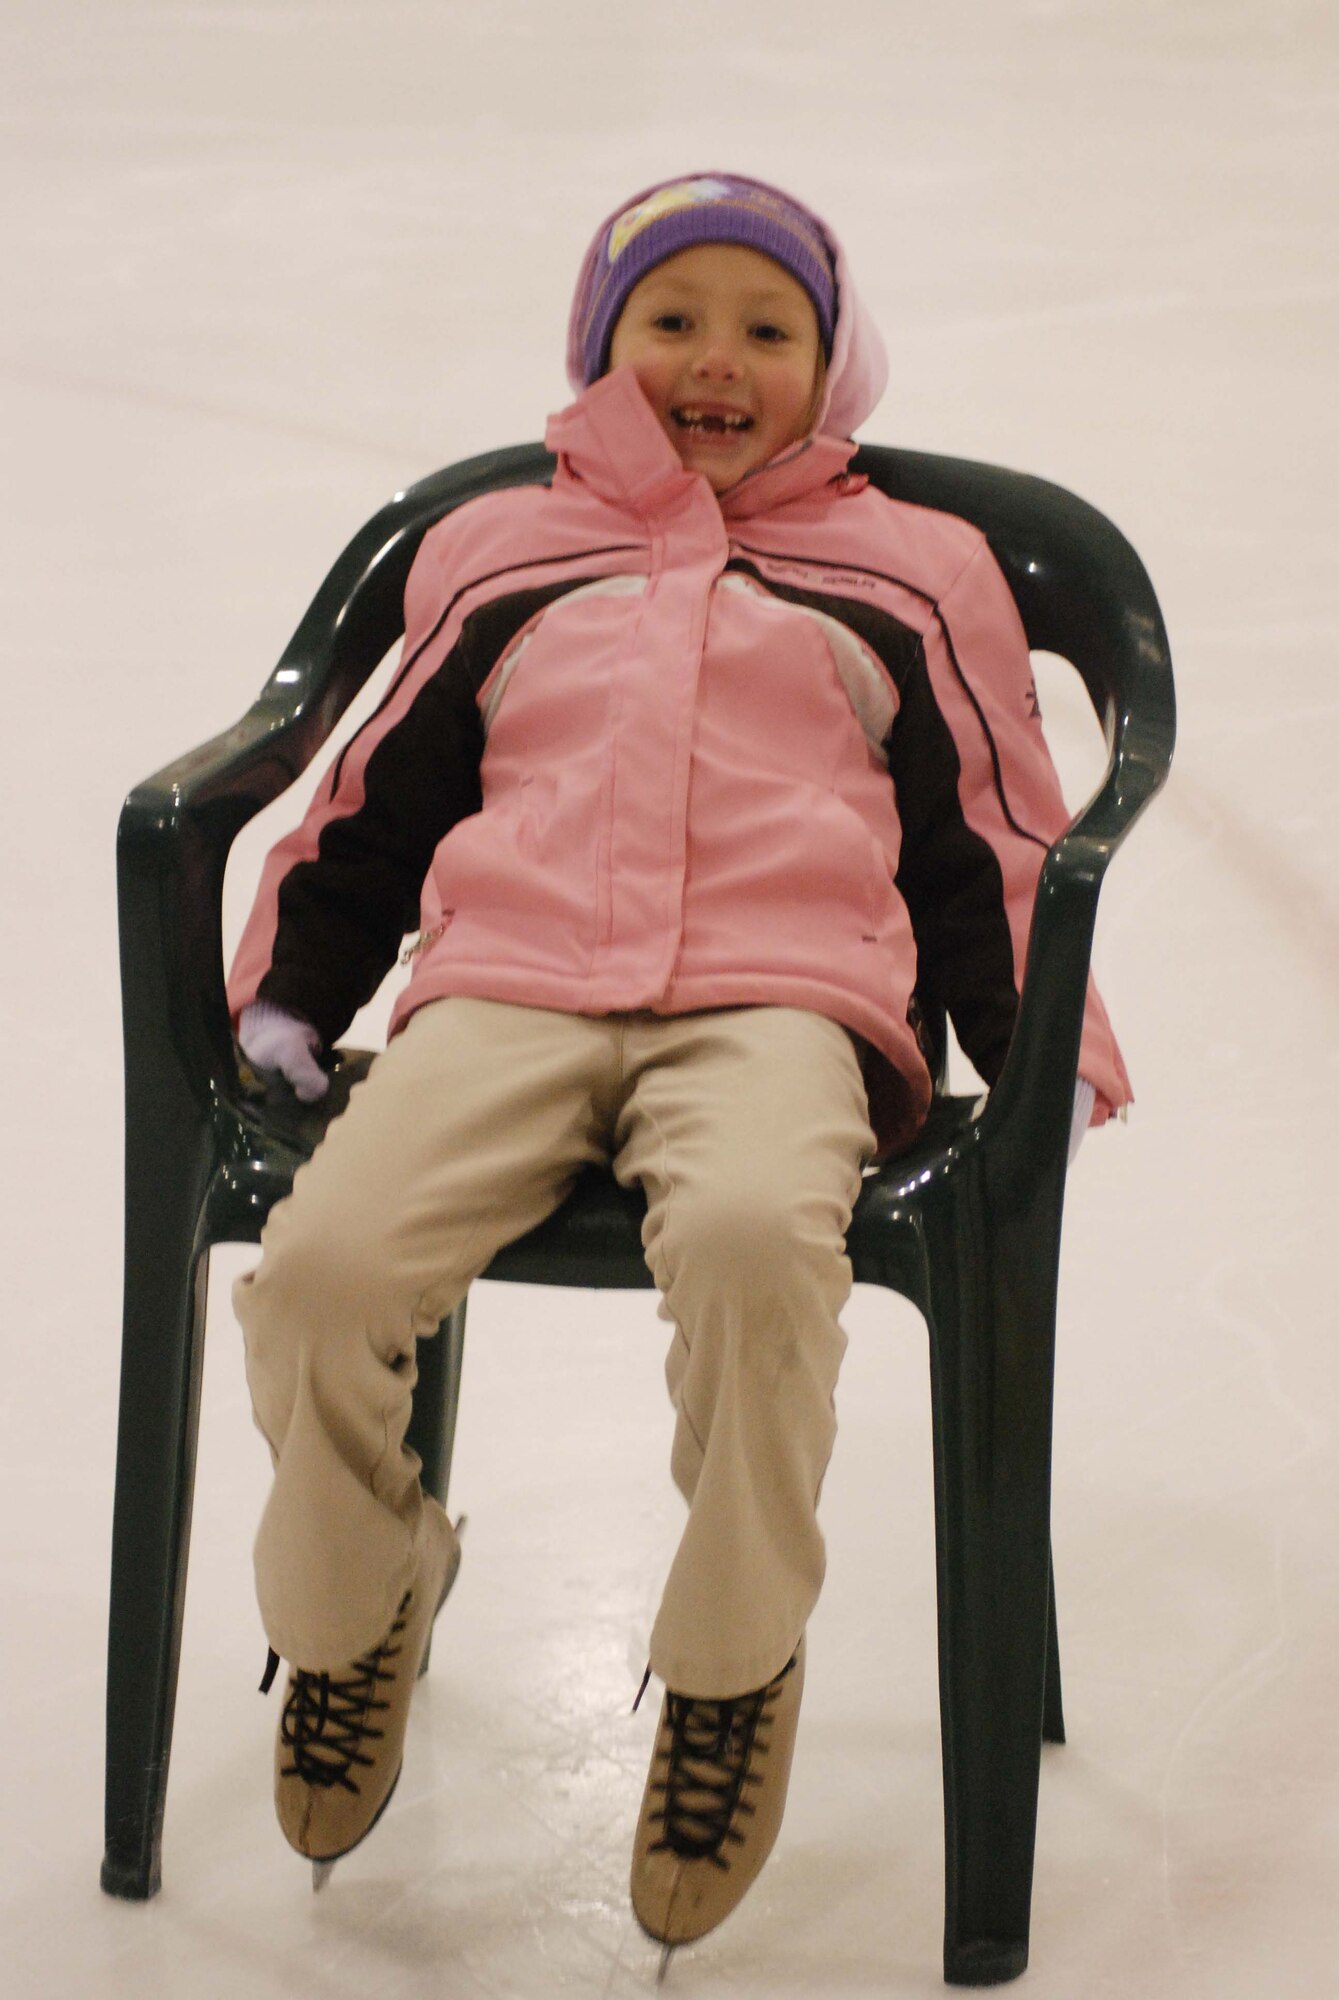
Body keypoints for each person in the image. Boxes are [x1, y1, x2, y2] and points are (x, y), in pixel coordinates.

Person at [227, 171, 1130, 1955]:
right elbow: (375, 793)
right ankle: (356, 1602)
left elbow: (994, 828)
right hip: (507, 990)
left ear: (833, 362)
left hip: (782, 1006)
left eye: (766, 329)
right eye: (672, 322)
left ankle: (728, 1670)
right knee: (322, 1269)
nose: (717, 362)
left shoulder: (914, 571)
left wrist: (1038, 1043)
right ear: (602, 347)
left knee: (747, 1253)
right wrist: (288, 986)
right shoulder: (501, 548)